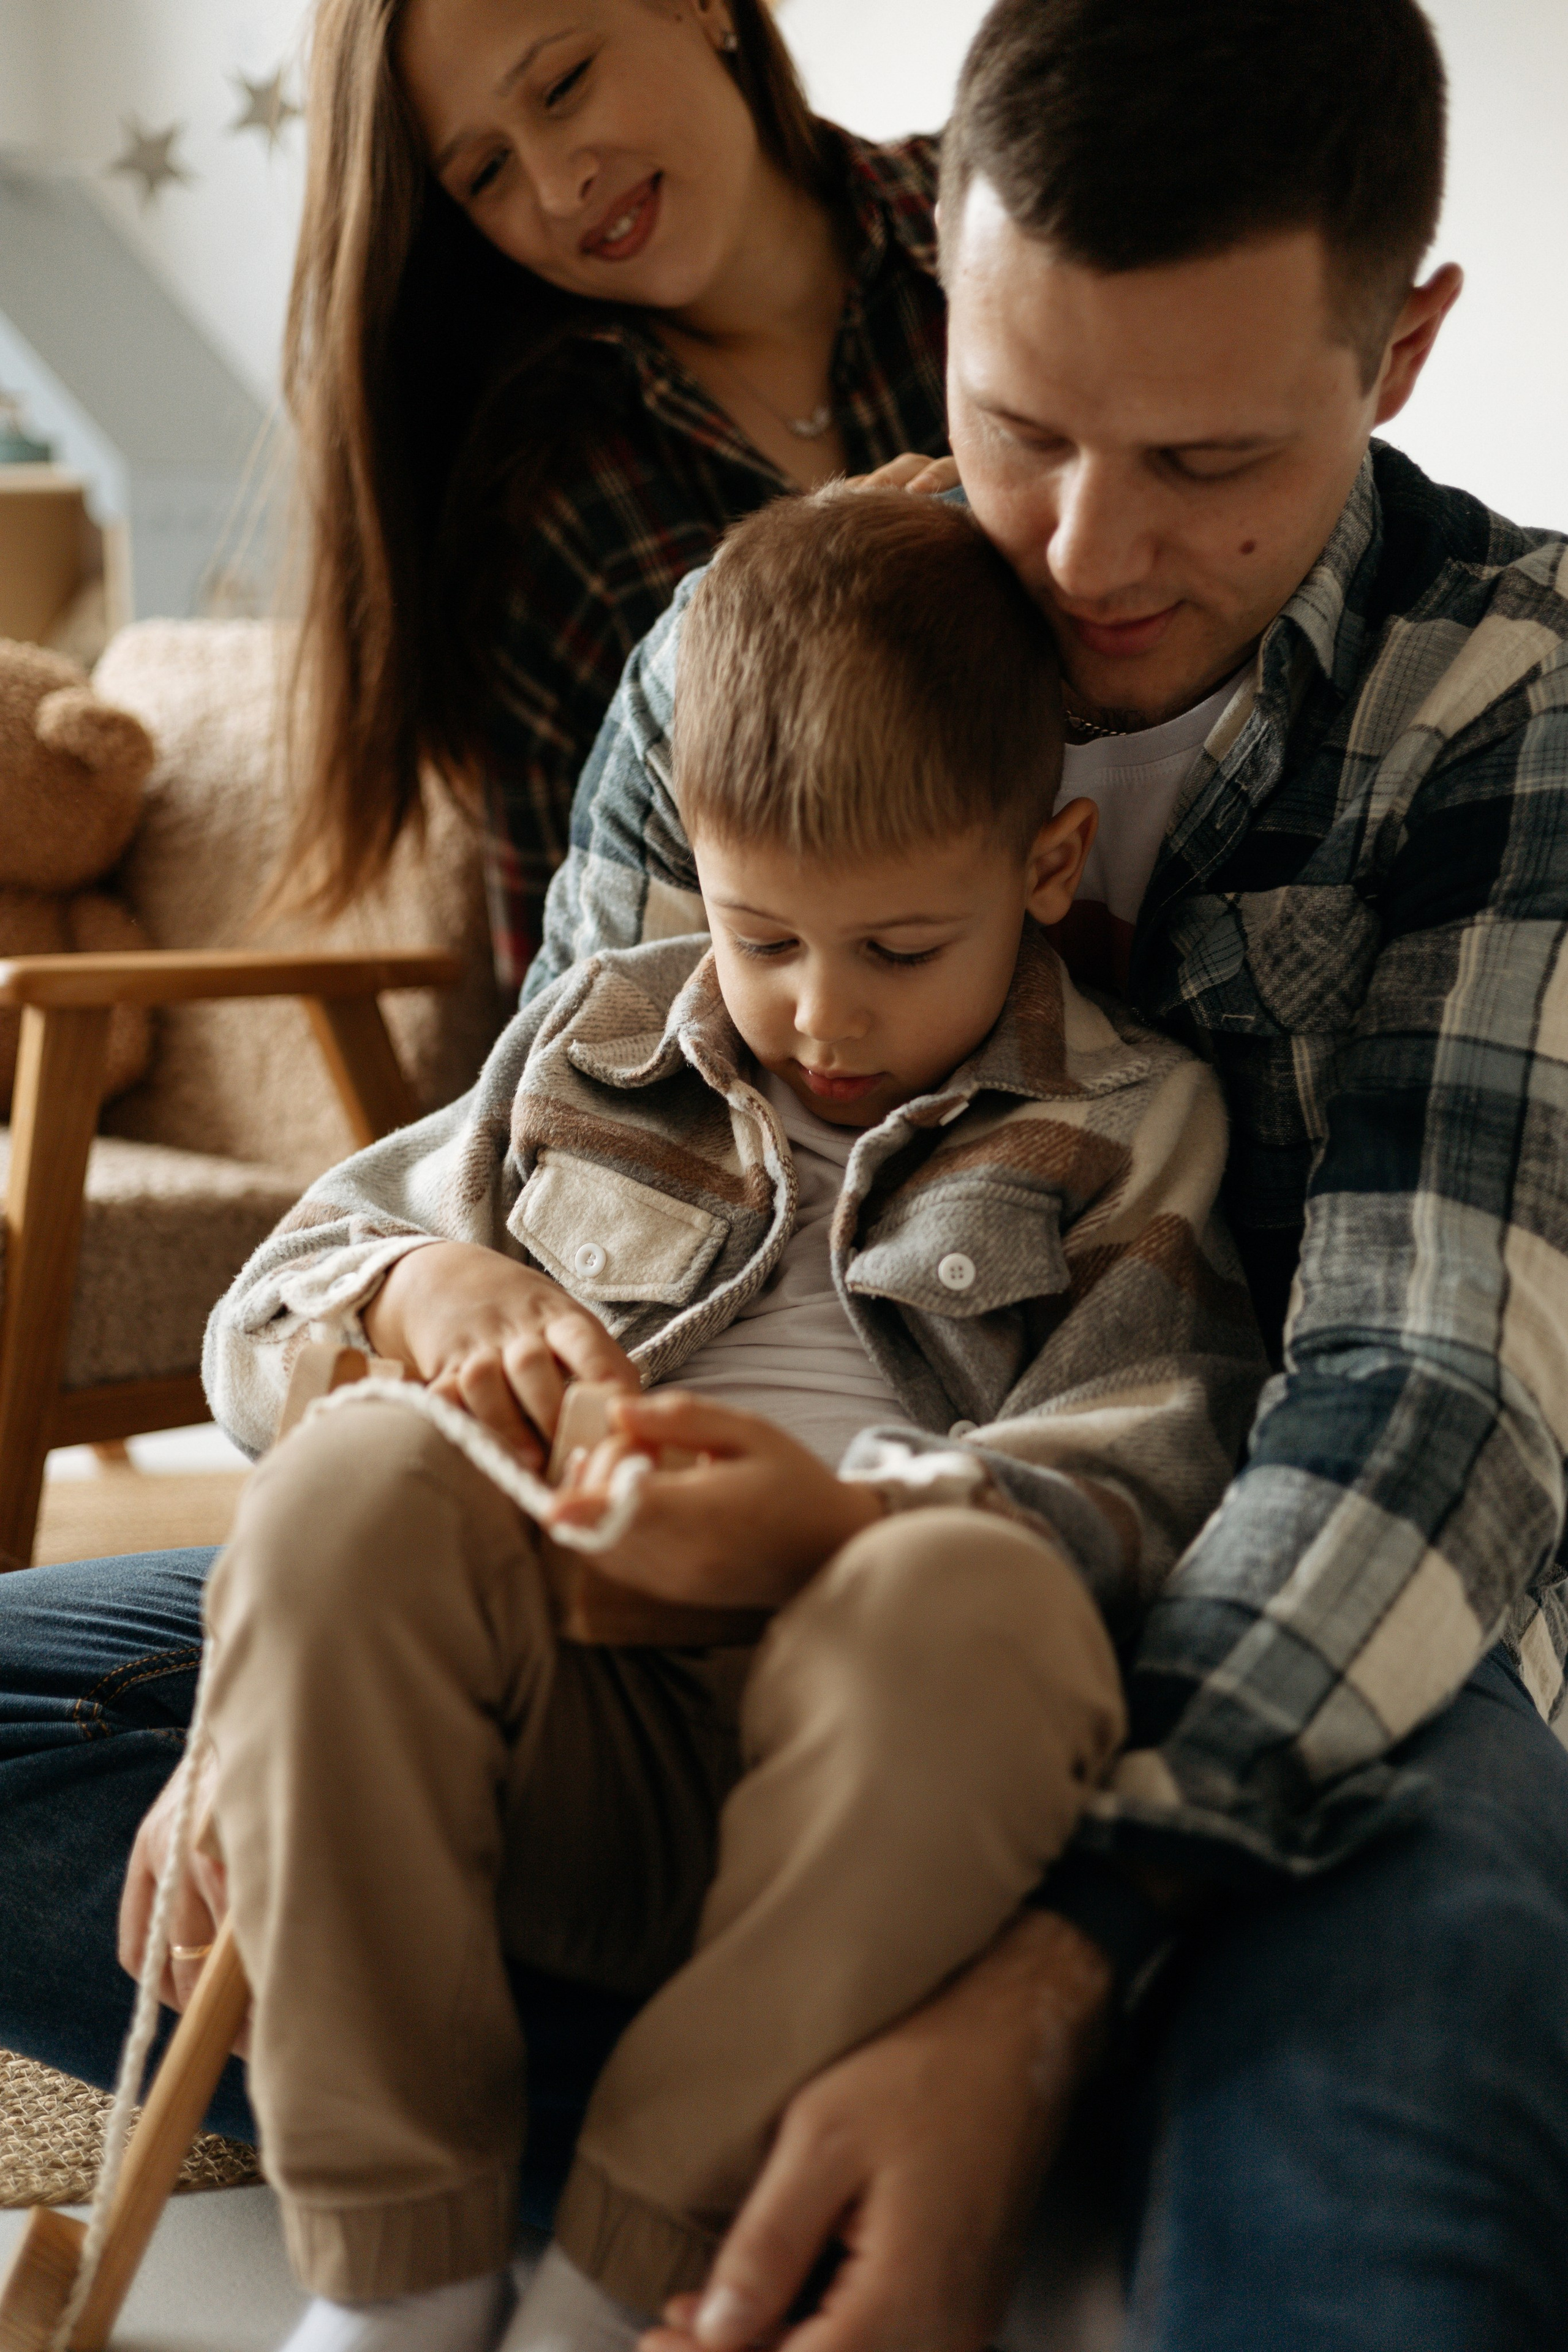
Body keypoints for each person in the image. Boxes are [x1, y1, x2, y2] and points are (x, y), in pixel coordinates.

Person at [519, 2, 1568, 2348]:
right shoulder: (740, 646)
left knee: (1393, 2121)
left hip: (1293, 1622)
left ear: (1400, 348)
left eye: (1208, 456)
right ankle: (814, 2045)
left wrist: (1050, 1961)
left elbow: (1433, 1396)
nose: (1089, 550)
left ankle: (914, 2044)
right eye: (1015, 424)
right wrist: (382, 1576)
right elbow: (557, 1169)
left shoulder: (1514, 699)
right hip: (743, 1620)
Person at [192, 487, 1262, 2352]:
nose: (819, 1014)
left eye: (898, 950)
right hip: (558, 1744)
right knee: (351, 1479)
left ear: (1045, 862)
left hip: (887, 1800)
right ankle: (404, 2279)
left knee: (970, 1599)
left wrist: (848, 1528)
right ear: (694, 864)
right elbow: (264, 1318)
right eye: (763, 938)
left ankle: (622, 2276)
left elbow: (1160, 1457)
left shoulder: (1131, 1117)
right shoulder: (598, 1033)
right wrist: (419, 1289)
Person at [282, 0, 948, 990]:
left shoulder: (1017, 218)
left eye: (561, 87)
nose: (558, 189)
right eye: (487, 173)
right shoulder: (555, 518)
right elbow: (572, 1021)